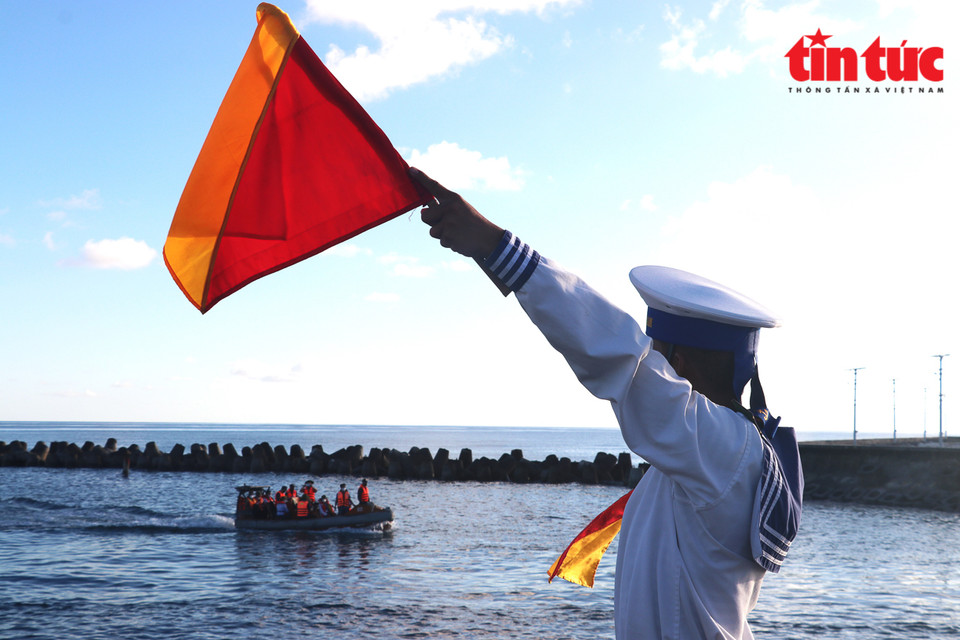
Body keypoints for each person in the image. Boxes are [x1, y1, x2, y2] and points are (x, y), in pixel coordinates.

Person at [411, 167, 803, 640]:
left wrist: (496, 247)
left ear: (678, 362)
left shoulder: (725, 451)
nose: (653, 367)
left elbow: (618, 355)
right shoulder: (712, 456)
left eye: (659, 356)